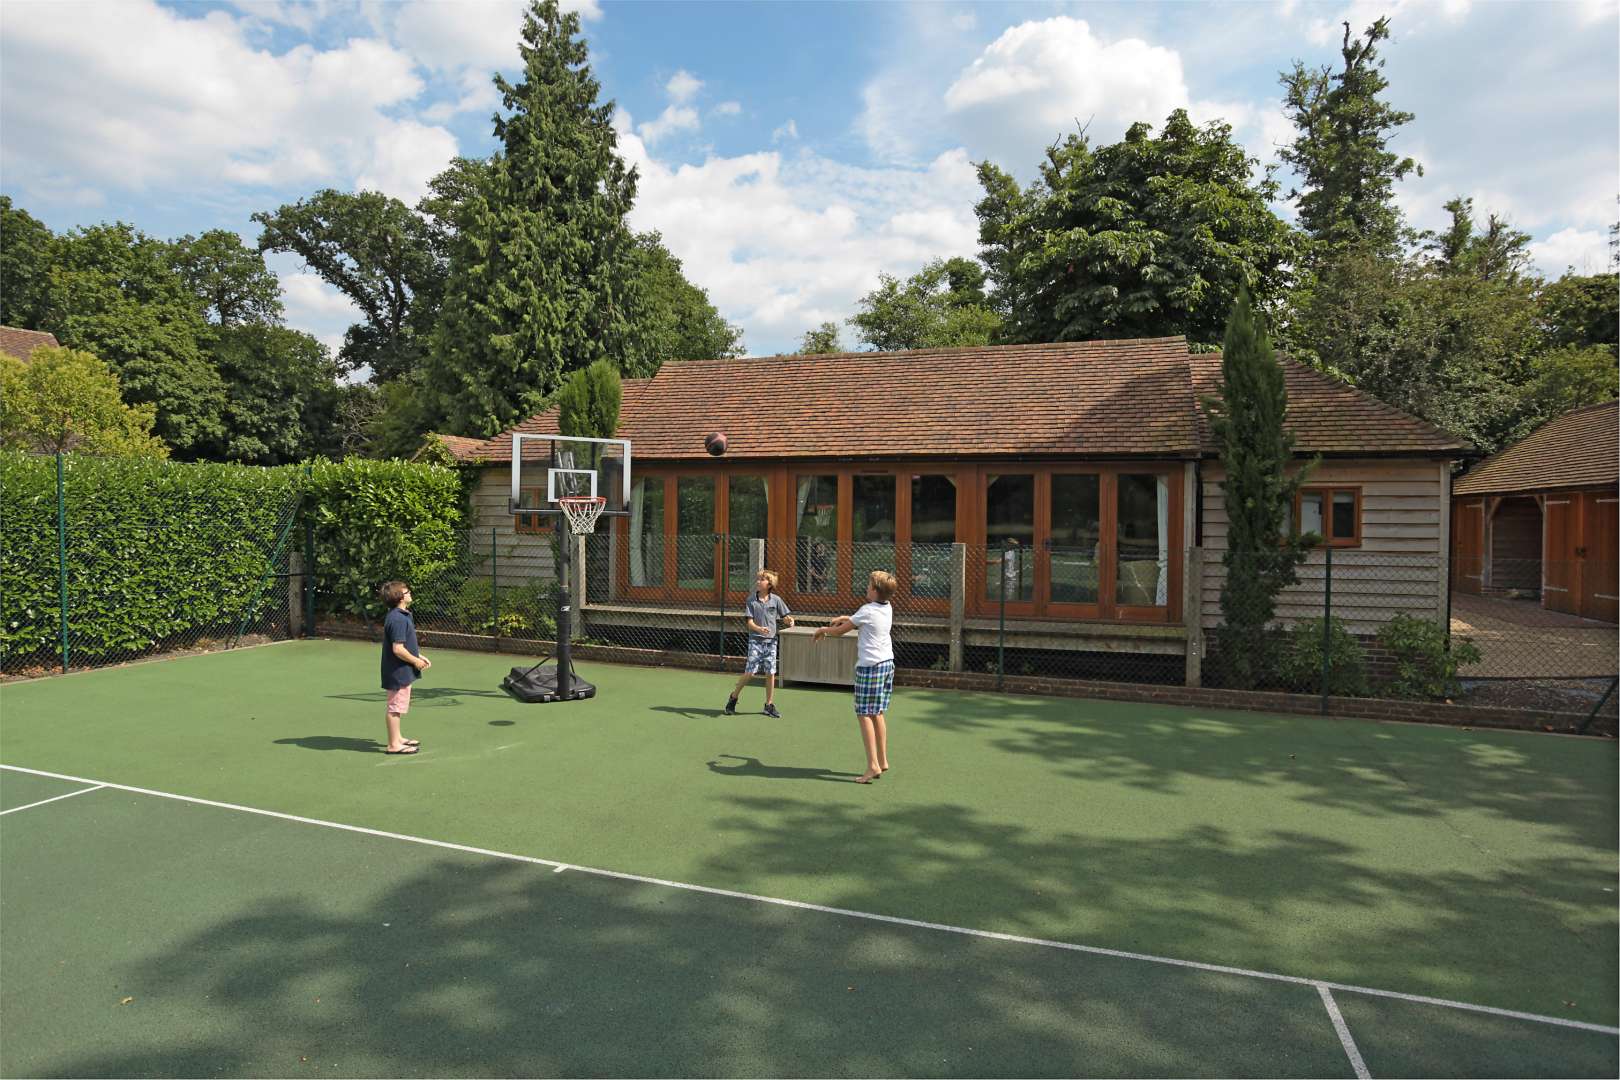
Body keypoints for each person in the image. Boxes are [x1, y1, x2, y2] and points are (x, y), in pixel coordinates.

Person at [814, 570, 896, 784]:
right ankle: (882, 761)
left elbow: (841, 631)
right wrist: (846, 618)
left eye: (869, 585)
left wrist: (823, 629)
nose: (866, 588)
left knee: (864, 714)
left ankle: (872, 766)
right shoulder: (887, 607)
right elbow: (860, 621)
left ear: (875, 591)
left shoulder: (867, 610)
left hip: (870, 668)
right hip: (887, 664)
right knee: (877, 712)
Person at [725, 569, 793, 717]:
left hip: (771, 642)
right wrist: (759, 629)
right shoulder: (751, 600)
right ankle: (733, 697)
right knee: (750, 672)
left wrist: (789, 620)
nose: (758, 581)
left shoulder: (776, 600)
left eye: (762, 579)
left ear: (769, 584)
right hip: (755, 641)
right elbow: (749, 623)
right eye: (758, 579)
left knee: (770, 673)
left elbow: (786, 617)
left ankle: (768, 705)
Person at [379, 580, 430, 754]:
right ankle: (393, 745)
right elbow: (398, 649)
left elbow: (405, 645)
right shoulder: (398, 619)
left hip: (400, 670)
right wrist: (415, 661)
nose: (410, 593)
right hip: (397, 672)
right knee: (395, 707)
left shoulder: (401, 615)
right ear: (400, 597)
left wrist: (419, 656)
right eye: (407, 591)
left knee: (398, 706)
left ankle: (398, 738)